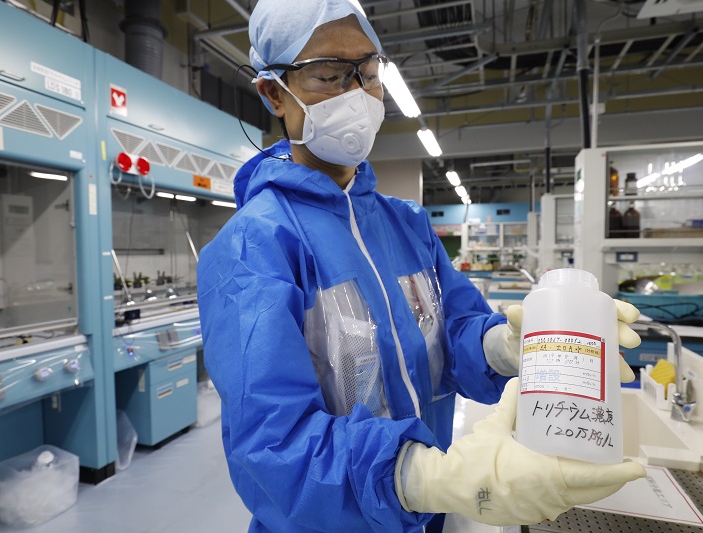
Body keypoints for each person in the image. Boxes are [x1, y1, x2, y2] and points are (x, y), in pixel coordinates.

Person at [197, 1, 646, 531]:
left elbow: (450, 333)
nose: (355, 94)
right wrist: (425, 478)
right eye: (328, 74)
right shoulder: (254, 246)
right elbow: (273, 443)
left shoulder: (404, 223)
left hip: (426, 516)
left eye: (367, 72)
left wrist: (510, 346)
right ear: (273, 92)